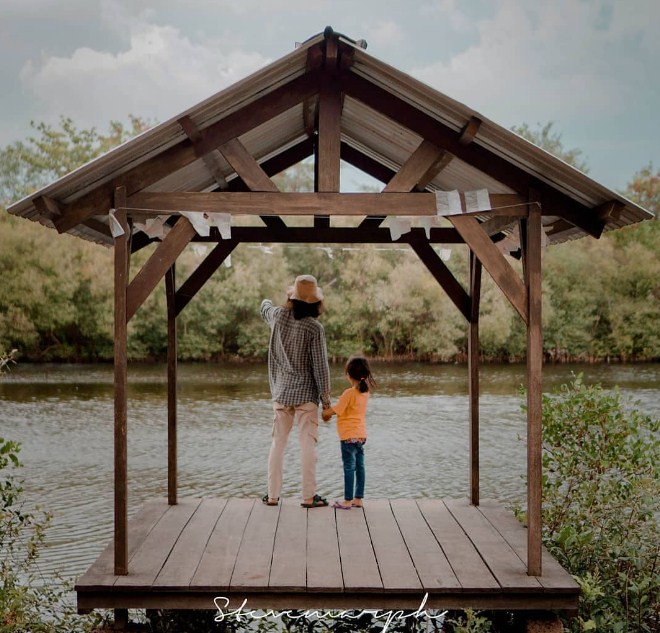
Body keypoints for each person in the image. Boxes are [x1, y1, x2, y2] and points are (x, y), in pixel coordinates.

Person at [260, 274, 331, 508]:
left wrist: (266, 302)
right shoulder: (314, 328)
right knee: (307, 446)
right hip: (306, 397)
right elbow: (321, 368)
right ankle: (309, 498)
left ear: (292, 297)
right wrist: (327, 402)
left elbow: (265, 309)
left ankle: (272, 496)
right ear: (315, 303)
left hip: (281, 393)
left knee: (277, 444)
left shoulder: (278, 316)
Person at [322, 356, 376, 509]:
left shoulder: (349, 393)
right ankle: (358, 499)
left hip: (348, 437)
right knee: (360, 466)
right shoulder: (365, 393)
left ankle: (347, 500)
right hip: (360, 435)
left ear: (349, 375)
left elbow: (337, 410)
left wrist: (325, 412)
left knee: (348, 467)